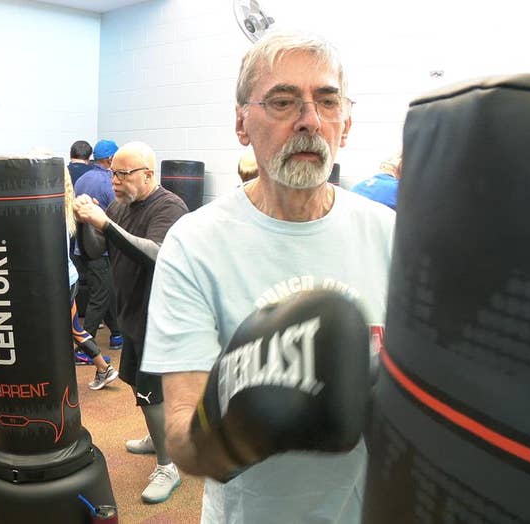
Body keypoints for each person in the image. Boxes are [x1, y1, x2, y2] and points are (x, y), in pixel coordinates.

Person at [141, 31, 395, 523]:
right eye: (282, 102)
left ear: (347, 121)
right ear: (241, 122)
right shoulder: (194, 245)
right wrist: (233, 433)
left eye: (327, 101)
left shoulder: (391, 234)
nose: (309, 121)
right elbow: (179, 436)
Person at [73, 141, 188, 504]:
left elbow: (155, 253)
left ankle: (169, 466)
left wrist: (104, 221)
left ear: (148, 174)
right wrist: (87, 221)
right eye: (113, 173)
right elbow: (96, 250)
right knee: (138, 381)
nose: (115, 180)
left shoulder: (170, 206)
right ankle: (157, 440)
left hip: (161, 316)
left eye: (123, 173)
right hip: (134, 311)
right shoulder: (121, 206)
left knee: (150, 390)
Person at [62, 167, 118, 390]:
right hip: (66, 277)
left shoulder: (62, 206)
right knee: (75, 328)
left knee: (75, 328)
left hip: (61, 279)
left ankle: (104, 367)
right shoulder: (65, 204)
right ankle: (104, 367)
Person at [74, 141, 122, 350]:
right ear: (111, 159)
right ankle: (85, 347)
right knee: (100, 296)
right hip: (101, 250)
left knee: (106, 290)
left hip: (81, 247)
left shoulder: (82, 179)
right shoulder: (109, 183)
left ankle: (117, 334)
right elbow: (120, 213)